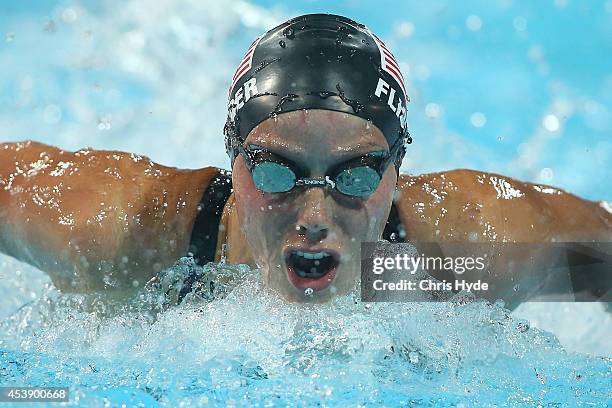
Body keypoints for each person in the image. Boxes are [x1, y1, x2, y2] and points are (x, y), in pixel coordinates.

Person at [0, 14, 610, 306]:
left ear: (397, 171)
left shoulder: (443, 260)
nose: (314, 214)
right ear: (233, 164)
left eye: (356, 175)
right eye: (275, 171)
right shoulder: (130, 234)